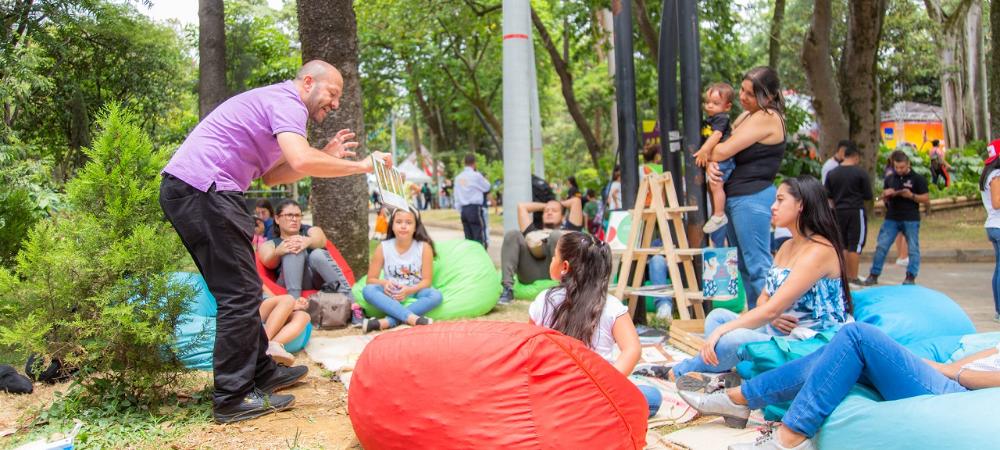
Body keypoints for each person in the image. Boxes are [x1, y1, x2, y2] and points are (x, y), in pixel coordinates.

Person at [159, 59, 391, 423]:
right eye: (332, 94)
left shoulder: (279, 106)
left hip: (207, 191)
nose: (334, 104)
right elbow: (300, 158)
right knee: (238, 294)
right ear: (309, 81)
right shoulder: (287, 102)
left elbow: (272, 176)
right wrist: (363, 166)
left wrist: (326, 156)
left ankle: (261, 372)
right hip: (204, 190)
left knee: (245, 290)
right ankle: (232, 397)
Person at [677, 322, 1000, 450]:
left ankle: (786, 434)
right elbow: (980, 357)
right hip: (952, 379)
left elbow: (963, 373)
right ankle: (742, 398)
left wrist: (948, 371)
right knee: (842, 352)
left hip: (959, 397)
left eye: (781, 200)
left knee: (856, 336)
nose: (774, 207)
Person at [670, 176, 851, 384]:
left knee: (731, 337)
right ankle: (726, 372)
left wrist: (731, 328)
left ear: (801, 205)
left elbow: (771, 308)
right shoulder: (786, 247)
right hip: (774, 330)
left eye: (780, 200)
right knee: (716, 317)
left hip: (803, 343)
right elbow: (764, 298)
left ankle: (680, 371)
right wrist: (772, 318)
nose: (773, 207)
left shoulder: (819, 251)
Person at [529, 232, 653, 409]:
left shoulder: (544, 299)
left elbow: (529, 344)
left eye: (554, 256)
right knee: (652, 396)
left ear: (564, 266)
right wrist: (607, 386)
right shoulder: (611, 306)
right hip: (595, 397)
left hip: (551, 391)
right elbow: (632, 349)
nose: (552, 260)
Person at [706, 67, 787, 308]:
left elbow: (721, 150)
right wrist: (711, 163)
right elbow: (717, 152)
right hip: (737, 198)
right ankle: (756, 317)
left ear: (769, 96)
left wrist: (712, 155)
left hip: (752, 198)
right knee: (743, 266)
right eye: (741, 90)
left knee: (757, 265)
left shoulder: (767, 117)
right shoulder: (748, 115)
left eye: (749, 94)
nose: (742, 97)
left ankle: (771, 320)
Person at [361, 206, 442, 332]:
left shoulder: (424, 247)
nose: (403, 226)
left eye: (409, 222)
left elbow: (426, 281)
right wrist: (385, 283)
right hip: (390, 291)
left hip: (414, 289)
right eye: (398, 222)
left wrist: (409, 290)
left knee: (435, 295)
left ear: (416, 227)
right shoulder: (383, 247)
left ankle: (387, 322)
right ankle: (412, 319)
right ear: (392, 226)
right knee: (368, 290)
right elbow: (370, 280)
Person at [257, 200, 354, 299]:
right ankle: (294, 303)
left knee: (317, 253)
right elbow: (267, 261)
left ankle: (352, 303)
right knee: (293, 250)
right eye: (289, 215)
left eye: (298, 215)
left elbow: (321, 240)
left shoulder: (309, 231)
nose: (294, 219)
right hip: (289, 284)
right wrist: (278, 252)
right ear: (277, 219)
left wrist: (309, 241)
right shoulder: (271, 243)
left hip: (318, 280)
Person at [497, 197, 584, 304]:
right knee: (512, 234)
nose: (549, 212)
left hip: (558, 273)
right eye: (546, 211)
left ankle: (565, 290)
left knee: (556, 235)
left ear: (562, 217)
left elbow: (576, 201)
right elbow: (522, 206)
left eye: (554, 211)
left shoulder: (570, 229)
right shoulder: (533, 232)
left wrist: (557, 203)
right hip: (532, 271)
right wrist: (547, 205)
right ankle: (508, 290)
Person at [863, 150, 930, 286]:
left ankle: (910, 276)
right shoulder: (890, 178)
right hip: (892, 217)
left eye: (902, 167)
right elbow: (883, 197)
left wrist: (911, 196)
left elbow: (926, 198)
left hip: (911, 217)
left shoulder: (917, 179)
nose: (899, 170)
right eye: (896, 167)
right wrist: (886, 194)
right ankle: (874, 274)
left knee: (912, 247)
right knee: (882, 245)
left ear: (908, 164)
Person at [824, 140, 872, 285]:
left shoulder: (832, 173)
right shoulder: (860, 173)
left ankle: (844, 276)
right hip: (855, 210)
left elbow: (828, 195)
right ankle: (854, 276)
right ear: (856, 156)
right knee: (855, 244)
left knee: (843, 243)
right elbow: (868, 195)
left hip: (838, 211)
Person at [694, 82, 735, 234]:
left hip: (724, 160)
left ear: (727, 106)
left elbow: (717, 135)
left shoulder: (721, 118)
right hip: (716, 160)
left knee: (716, 184)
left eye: (716, 103)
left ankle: (719, 214)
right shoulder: (710, 119)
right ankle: (716, 213)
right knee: (713, 186)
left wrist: (705, 150)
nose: (710, 106)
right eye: (708, 102)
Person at [259, 291, 311, 366]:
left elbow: (271, 296)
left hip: (266, 304)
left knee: (303, 316)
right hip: (249, 308)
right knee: (288, 299)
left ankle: (270, 348)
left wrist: (292, 305)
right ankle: (265, 345)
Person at [980, 139, 1000, 323]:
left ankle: (998, 310)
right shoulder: (997, 175)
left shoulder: (988, 173)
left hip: (993, 225)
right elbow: (997, 202)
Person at [454, 153, 491, 248]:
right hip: (474, 209)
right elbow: (487, 187)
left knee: (468, 237)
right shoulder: (476, 176)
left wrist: (460, 210)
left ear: (464, 163)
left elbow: (456, 196)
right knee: (478, 235)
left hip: (464, 210)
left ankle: (471, 259)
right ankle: (480, 258)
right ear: (474, 163)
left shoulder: (459, 178)